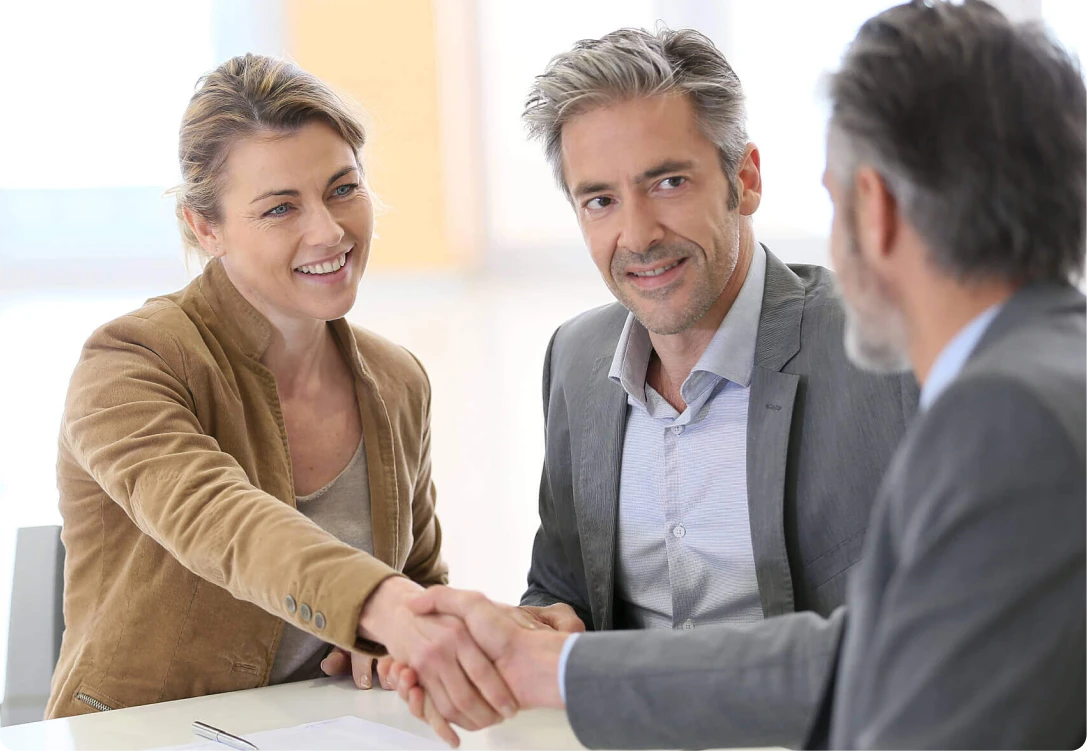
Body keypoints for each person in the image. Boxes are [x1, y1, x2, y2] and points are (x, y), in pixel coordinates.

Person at [400, 3, 1087, 750]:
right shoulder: (575, 357)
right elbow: (563, 592)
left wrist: (563, 669)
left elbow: (873, 662)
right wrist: (529, 638)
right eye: (597, 199)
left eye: (667, 183)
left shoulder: (995, 407)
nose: (635, 234)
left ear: (872, 208)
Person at [46, 54, 518, 732]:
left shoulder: (396, 378)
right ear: (205, 227)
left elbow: (417, 577)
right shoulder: (130, 359)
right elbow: (220, 520)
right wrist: (380, 605)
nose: (328, 231)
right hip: (144, 733)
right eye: (280, 208)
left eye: (343, 189)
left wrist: (398, 634)